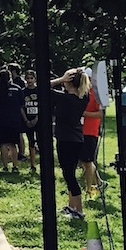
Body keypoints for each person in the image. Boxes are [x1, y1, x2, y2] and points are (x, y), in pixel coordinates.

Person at [52, 68, 91, 219]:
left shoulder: (65, 98)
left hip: (66, 140)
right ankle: (71, 206)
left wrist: (60, 79)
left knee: (69, 175)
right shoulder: (83, 98)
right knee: (70, 173)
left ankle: (79, 210)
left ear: (69, 82)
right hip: (76, 139)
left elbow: (39, 88)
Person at [0, 67, 25, 174]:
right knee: (13, 144)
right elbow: (21, 105)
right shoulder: (17, 88)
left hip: (1, 121)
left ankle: (5, 167)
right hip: (14, 120)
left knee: (3, 144)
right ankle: (15, 166)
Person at [20, 69, 40, 173]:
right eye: (27, 78)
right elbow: (21, 107)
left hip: (38, 120)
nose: (29, 80)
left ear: (35, 79)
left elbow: (42, 106)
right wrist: (27, 120)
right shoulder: (23, 92)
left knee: (41, 142)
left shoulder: (39, 91)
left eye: (31, 78)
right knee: (31, 142)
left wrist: (37, 118)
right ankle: (32, 164)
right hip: (28, 120)